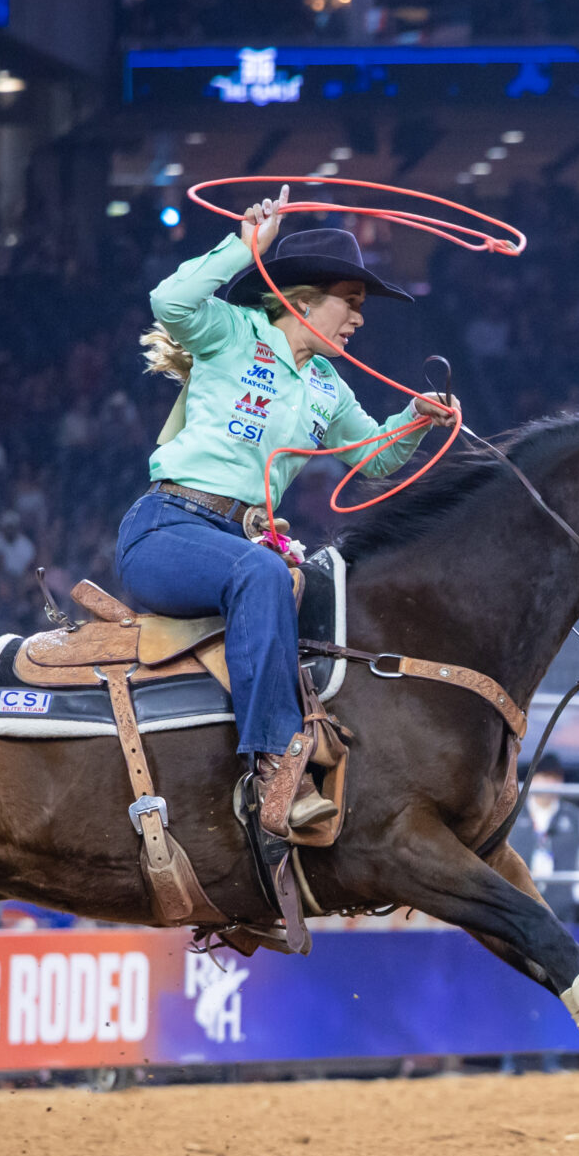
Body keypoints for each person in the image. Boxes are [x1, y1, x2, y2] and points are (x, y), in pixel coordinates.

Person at [123, 186, 458, 911]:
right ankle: (274, 766)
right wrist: (245, 247)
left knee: (311, 586)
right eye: (349, 298)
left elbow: (370, 462)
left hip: (237, 543)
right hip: (167, 528)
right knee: (263, 572)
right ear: (300, 299)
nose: (360, 314)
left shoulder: (325, 386)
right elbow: (170, 300)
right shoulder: (234, 331)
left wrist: (416, 422)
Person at [510, 755, 579, 922]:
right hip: (517, 908)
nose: (550, 783)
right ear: (533, 778)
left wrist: (573, 895)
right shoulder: (512, 812)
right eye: (545, 776)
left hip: (561, 913)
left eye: (556, 778)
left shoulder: (575, 816)